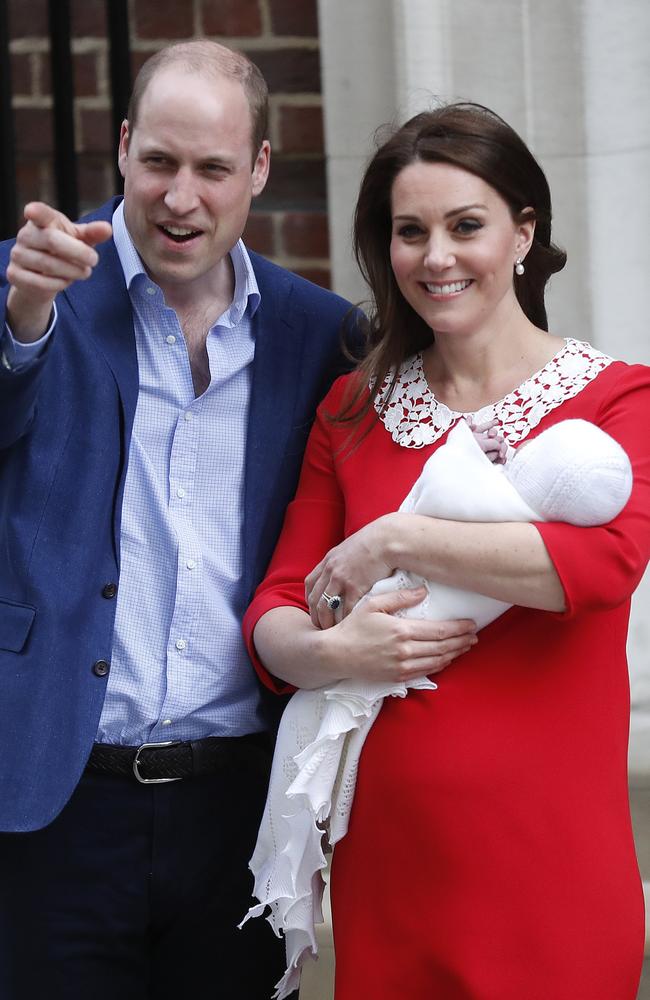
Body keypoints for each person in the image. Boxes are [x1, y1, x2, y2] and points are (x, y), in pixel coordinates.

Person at [242, 102, 650, 999]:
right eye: (409, 231)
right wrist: (325, 652)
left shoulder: (617, 400)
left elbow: (599, 565)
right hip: (390, 868)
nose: (436, 257)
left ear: (522, 234)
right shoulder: (352, 410)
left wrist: (397, 536)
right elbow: (275, 604)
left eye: (466, 226)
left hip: (550, 872)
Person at [0, 39, 358, 1000]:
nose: (180, 196)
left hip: (237, 806)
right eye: (158, 161)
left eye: (212, 168)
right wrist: (22, 323)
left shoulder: (316, 332)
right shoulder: (28, 287)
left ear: (260, 170)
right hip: (51, 799)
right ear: (122, 148)